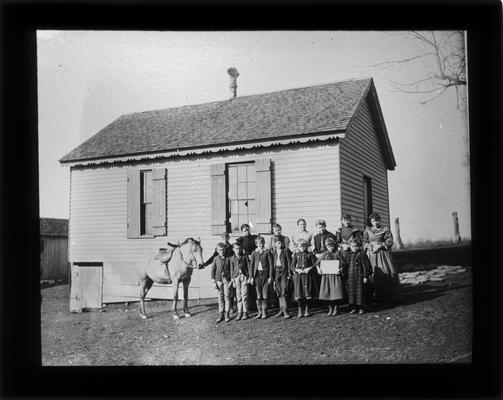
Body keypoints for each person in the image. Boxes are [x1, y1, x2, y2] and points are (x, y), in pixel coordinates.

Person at [363, 212, 399, 302]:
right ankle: (371, 294)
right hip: (370, 253)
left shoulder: (385, 230)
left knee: (384, 271)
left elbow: (390, 241)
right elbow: (364, 240)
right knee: (371, 272)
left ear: (380, 220)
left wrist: (380, 246)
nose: (375, 223)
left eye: (377, 221)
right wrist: (368, 246)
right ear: (371, 222)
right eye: (373, 221)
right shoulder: (368, 230)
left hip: (381, 254)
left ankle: (384, 295)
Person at [315, 237, 347, 316]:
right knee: (327, 292)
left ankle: (336, 308)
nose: (331, 248)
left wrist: (341, 269)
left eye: (332, 246)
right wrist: (318, 269)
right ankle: (330, 308)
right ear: (326, 246)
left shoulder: (338, 253)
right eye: (329, 246)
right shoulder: (325, 254)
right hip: (326, 277)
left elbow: (344, 263)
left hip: (335, 276)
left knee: (335, 292)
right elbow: (317, 263)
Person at [342, 238, 373, 314]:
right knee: (351, 293)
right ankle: (353, 307)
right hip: (350, 276)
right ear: (350, 246)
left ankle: (361, 307)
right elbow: (345, 265)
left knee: (360, 292)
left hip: (359, 276)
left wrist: (365, 276)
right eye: (352, 246)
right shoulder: (348, 255)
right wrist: (343, 272)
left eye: (356, 246)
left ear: (359, 246)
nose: (354, 248)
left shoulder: (361, 254)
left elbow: (366, 266)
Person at [291, 238, 319, 318]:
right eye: (301, 246)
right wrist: (297, 269)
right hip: (299, 277)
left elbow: (315, 264)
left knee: (307, 293)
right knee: (299, 293)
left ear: (306, 246)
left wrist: (309, 268)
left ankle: (307, 309)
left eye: (304, 246)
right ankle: (300, 310)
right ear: (297, 247)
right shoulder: (296, 255)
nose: (302, 248)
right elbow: (292, 266)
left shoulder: (310, 254)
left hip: (307, 276)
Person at [227, 242, 252, 320]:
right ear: (233, 249)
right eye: (237, 249)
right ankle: (240, 312)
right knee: (238, 296)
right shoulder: (232, 258)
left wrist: (249, 277)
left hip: (244, 276)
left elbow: (249, 267)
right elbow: (231, 269)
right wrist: (233, 280)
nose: (238, 250)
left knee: (244, 294)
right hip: (236, 277)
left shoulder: (245, 257)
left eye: (240, 249)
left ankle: (245, 312)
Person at [250, 236, 273, 319]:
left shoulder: (267, 252)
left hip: (265, 275)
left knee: (265, 294)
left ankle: (264, 311)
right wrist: (251, 277)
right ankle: (259, 312)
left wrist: (270, 276)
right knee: (259, 295)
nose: (261, 244)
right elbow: (251, 265)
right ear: (256, 244)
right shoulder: (254, 253)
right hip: (257, 276)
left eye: (262, 242)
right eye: (259, 243)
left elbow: (271, 264)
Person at [270, 236, 292, 319]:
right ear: (275, 244)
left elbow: (289, 262)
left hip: (284, 272)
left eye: (281, 243)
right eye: (277, 243)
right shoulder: (274, 252)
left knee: (283, 290)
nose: (279, 244)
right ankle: (281, 309)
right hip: (276, 271)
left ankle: (286, 310)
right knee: (278, 291)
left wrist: (289, 272)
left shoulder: (285, 250)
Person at [210, 243, 232, 323]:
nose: (221, 251)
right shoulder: (216, 258)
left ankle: (227, 314)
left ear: (225, 250)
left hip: (226, 279)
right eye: (220, 250)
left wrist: (231, 280)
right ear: (217, 250)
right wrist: (213, 281)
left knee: (227, 296)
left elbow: (231, 270)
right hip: (218, 280)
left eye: (223, 250)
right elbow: (213, 270)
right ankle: (221, 314)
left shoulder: (229, 258)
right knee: (220, 297)